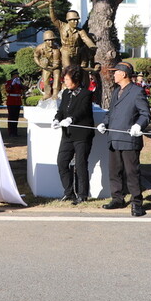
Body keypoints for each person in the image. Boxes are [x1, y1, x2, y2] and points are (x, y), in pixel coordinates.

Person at [97, 62, 150, 214]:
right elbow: (111, 112)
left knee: (132, 172)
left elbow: (145, 114)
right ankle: (117, 198)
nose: (113, 75)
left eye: (116, 72)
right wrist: (104, 123)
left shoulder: (137, 91)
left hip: (129, 139)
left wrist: (139, 125)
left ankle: (137, 202)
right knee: (114, 171)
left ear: (124, 74)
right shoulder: (116, 92)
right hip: (114, 138)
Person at [52, 65, 95, 204]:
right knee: (62, 162)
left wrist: (71, 119)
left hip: (82, 134)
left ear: (75, 79)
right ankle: (68, 192)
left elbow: (82, 111)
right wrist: (56, 119)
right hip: (68, 135)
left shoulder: (86, 94)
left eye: (67, 79)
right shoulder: (65, 93)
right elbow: (61, 110)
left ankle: (82, 194)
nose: (64, 81)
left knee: (81, 164)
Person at [34, 30, 62, 99]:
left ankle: (55, 93)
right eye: (48, 40)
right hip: (46, 66)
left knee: (57, 77)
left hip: (55, 66)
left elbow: (57, 62)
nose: (50, 42)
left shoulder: (56, 49)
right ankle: (47, 93)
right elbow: (35, 56)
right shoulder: (40, 48)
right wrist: (40, 64)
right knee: (46, 79)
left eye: (52, 40)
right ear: (45, 40)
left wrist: (53, 67)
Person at [3, 69, 25, 137]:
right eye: (16, 75)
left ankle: (15, 132)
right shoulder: (9, 82)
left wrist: (20, 84)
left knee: (16, 117)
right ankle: (10, 132)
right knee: (11, 117)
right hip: (11, 101)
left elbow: (24, 88)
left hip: (17, 101)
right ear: (13, 76)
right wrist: (12, 84)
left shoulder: (18, 82)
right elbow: (8, 90)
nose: (17, 76)